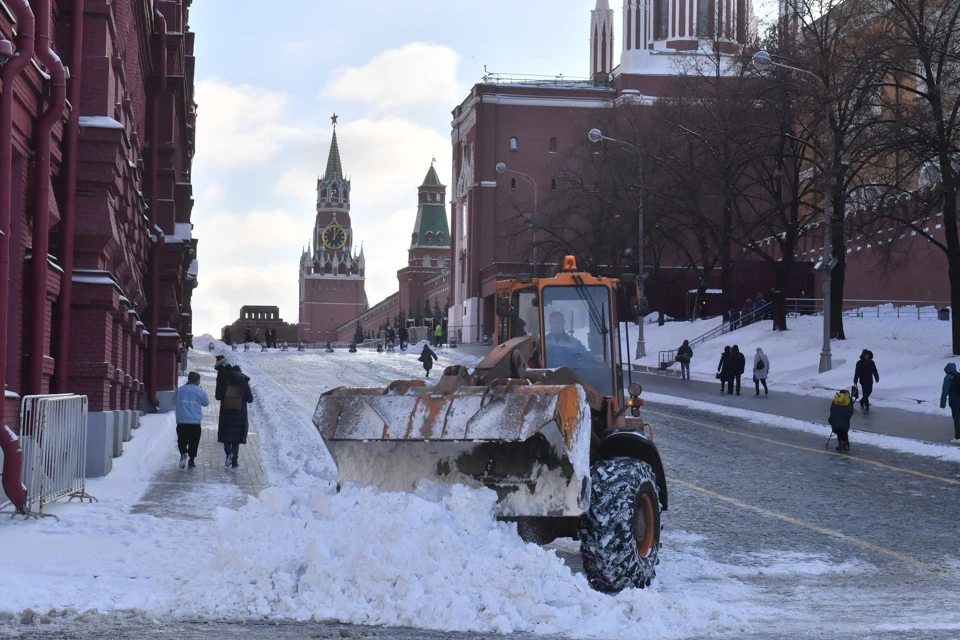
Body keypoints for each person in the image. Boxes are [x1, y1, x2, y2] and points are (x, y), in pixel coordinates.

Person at [215, 363, 253, 469]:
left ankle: (229, 454)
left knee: (226, 438)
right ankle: (235, 462)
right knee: (236, 440)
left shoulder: (225, 381)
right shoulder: (244, 383)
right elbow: (250, 399)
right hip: (240, 415)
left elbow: (218, 397)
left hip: (226, 414)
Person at [173, 371, 209, 469]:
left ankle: (183, 454)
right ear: (197, 380)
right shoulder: (199, 391)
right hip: (195, 422)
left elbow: (174, 401)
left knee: (182, 440)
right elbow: (206, 403)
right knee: (194, 441)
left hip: (182, 421)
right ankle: (191, 460)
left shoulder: (180, 390)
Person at [828, 388, 855, 452]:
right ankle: (845, 445)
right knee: (844, 431)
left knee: (838, 431)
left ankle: (840, 444)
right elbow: (851, 410)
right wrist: (847, 417)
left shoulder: (836, 398)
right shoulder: (848, 399)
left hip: (835, 417)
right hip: (844, 418)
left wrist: (833, 416)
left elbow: (831, 408)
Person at [939, 363, 960, 443]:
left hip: (954, 402)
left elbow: (945, 391)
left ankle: (958, 437)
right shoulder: (959, 375)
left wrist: (942, 404)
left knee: (956, 420)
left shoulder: (948, 378)